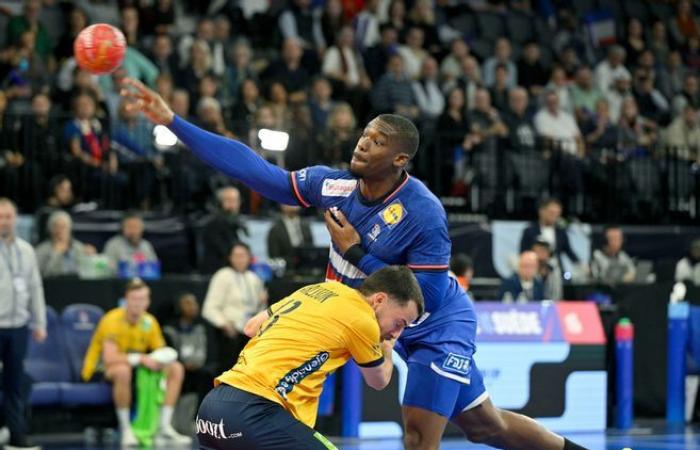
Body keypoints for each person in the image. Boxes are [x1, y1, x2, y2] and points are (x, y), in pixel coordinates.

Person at [121, 77, 586, 450]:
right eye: (364, 135)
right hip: (373, 315)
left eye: (377, 141)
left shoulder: (423, 211)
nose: (363, 144)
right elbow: (254, 170)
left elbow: (430, 294)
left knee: (419, 436)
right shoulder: (336, 186)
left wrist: (355, 251)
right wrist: (175, 122)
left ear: (399, 159)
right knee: (487, 426)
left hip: (431, 323)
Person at [198, 266, 424, 450]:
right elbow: (379, 380)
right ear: (379, 300)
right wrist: (387, 343)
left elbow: (250, 327)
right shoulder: (362, 320)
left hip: (214, 407)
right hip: (255, 411)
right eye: (399, 323)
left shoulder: (316, 291)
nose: (396, 333)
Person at [80, 278, 191, 447]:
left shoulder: (149, 321)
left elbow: (160, 350)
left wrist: (158, 360)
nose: (137, 304)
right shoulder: (112, 320)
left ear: (148, 301)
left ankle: (163, 427)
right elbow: (110, 359)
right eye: (134, 299)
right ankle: (126, 430)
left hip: (134, 368)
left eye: (142, 299)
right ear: (126, 299)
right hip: (99, 369)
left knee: (175, 368)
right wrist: (140, 358)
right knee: (122, 370)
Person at [0, 198, 46, 450]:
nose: (4, 221)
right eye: (0, 216)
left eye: (8, 216)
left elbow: (35, 287)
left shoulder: (26, 250)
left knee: (15, 383)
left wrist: (40, 322)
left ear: (15, 218)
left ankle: (16, 436)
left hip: (18, 326)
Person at [202, 243, 267, 374]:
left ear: (249, 258)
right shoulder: (223, 275)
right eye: (236, 256)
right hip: (230, 333)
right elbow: (209, 308)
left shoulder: (254, 278)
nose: (239, 259)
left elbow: (257, 309)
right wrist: (224, 323)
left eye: (243, 256)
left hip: (249, 333)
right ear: (230, 258)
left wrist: (262, 302)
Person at [520, 198, 581, 275]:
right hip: (535, 271)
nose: (555, 217)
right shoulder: (530, 231)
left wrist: (580, 265)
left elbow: (569, 251)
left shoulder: (561, 232)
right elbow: (523, 253)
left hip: (557, 271)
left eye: (557, 214)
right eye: (551, 213)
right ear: (541, 211)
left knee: (568, 279)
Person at [34, 211, 96, 277]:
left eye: (63, 227)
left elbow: (88, 274)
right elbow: (43, 276)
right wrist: (55, 253)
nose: (59, 231)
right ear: (50, 229)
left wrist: (91, 258)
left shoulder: (79, 247)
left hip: (77, 285)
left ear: (69, 229)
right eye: (56, 227)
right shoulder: (41, 250)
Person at [201, 187, 248, 273]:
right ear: (220, 203)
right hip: (217, 273)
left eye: (235, 201)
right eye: (228, 200)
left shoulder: (236, 223)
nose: (232, 205)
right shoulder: (214, 225)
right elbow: (227, 252)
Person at [267, 204, 314, 269]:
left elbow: (311, 249)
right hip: (285, 269)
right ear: (282, 205)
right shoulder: (275, 230)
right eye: (289, 201)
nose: (293, 204)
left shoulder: (306, 226)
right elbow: (274, 257)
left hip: (306, 267)